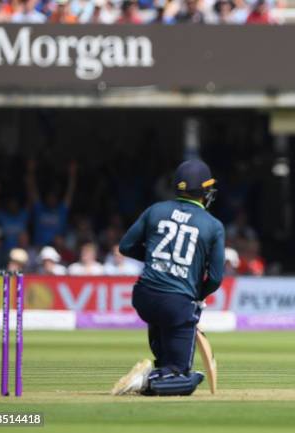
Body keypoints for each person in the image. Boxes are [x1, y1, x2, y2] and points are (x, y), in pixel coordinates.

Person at [111, 159, 225, 397]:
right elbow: (215, 278)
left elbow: (125, 246)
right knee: (186, 377)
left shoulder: (156, 210)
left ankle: (157, 372)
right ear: (204, 191)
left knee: (167, 363)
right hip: (176, 304)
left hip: (144, 297)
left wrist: (158, 262)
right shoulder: (213, 226)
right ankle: (147, 378)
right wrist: (197, 296)